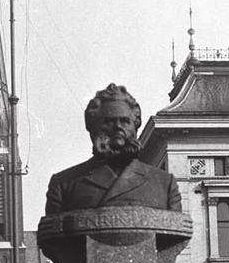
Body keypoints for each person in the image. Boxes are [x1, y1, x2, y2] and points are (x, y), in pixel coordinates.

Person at [44, 83, 182, 214]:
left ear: (136, 125)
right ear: (93, 127)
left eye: (125, 121)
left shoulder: (164, 184)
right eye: (109, 121)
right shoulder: (64, 184)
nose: (118, 127)